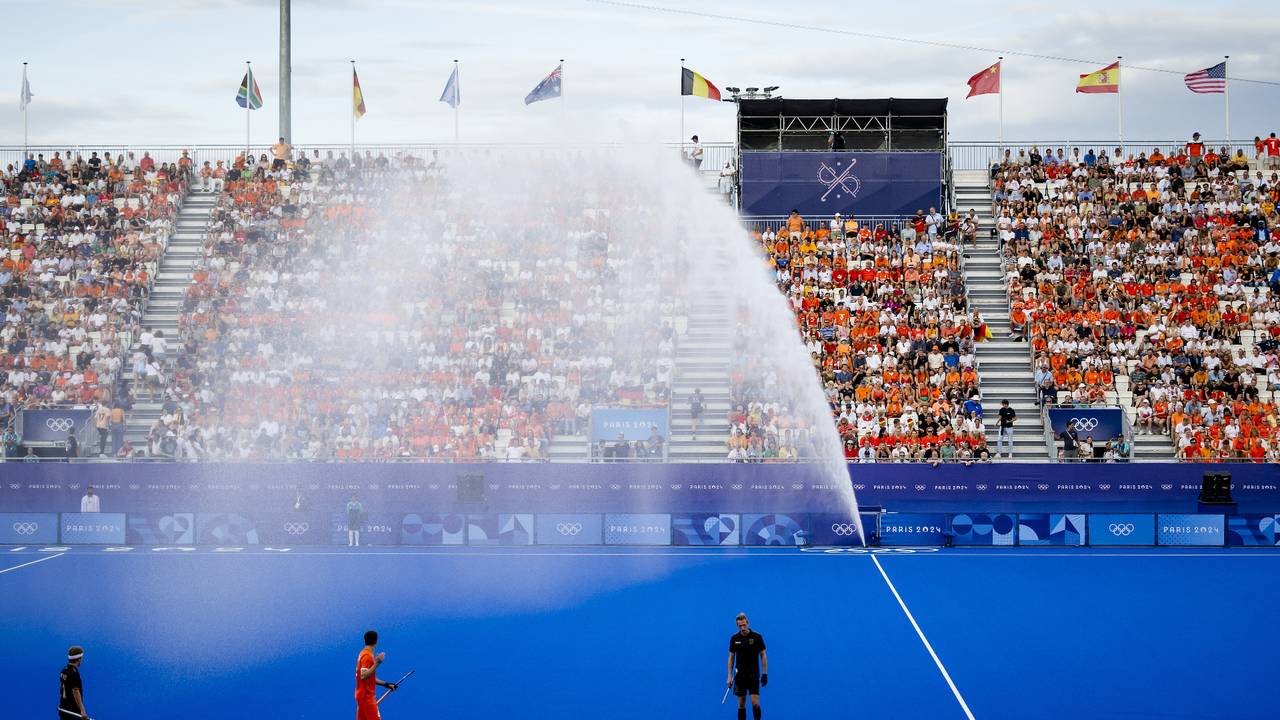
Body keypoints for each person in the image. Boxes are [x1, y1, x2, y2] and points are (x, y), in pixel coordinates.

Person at [726, 613, 767, 720]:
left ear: (747, 623)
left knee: (755, 703)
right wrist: (729, 676)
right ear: (737, 626)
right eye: (740, 626)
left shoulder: (757, 637)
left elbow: (763, 655)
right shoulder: (734, 638)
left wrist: (765, 673)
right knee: (741, 705)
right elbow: (731, 657)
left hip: (753, 676)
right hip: (740, 677)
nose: (742, 627)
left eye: (744, 625)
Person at [355, 630, 398, 720]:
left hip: (362, 697)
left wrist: (386, 684)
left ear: (364, 641)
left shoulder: (363, 653)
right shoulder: (367, 656)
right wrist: (377, 663)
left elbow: (369, 677)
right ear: (376, 642)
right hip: (367, 698)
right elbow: (363, 676)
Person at [59, 645, 88, 720]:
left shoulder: (64, 670)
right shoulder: (74, 672)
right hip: (72, 711)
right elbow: (75, 691)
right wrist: (83, 711)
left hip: (63, 708)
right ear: (79, 659)